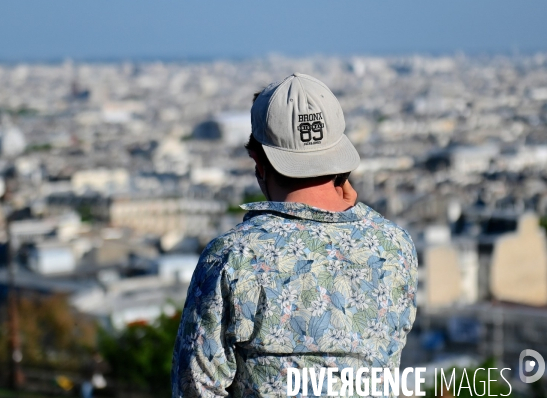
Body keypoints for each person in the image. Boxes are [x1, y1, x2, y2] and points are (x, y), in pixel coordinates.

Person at [172, 73, 418, 398]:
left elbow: (195, 388)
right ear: (339, 156)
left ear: (259, 161)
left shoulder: (233, 257)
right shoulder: (394, 245)